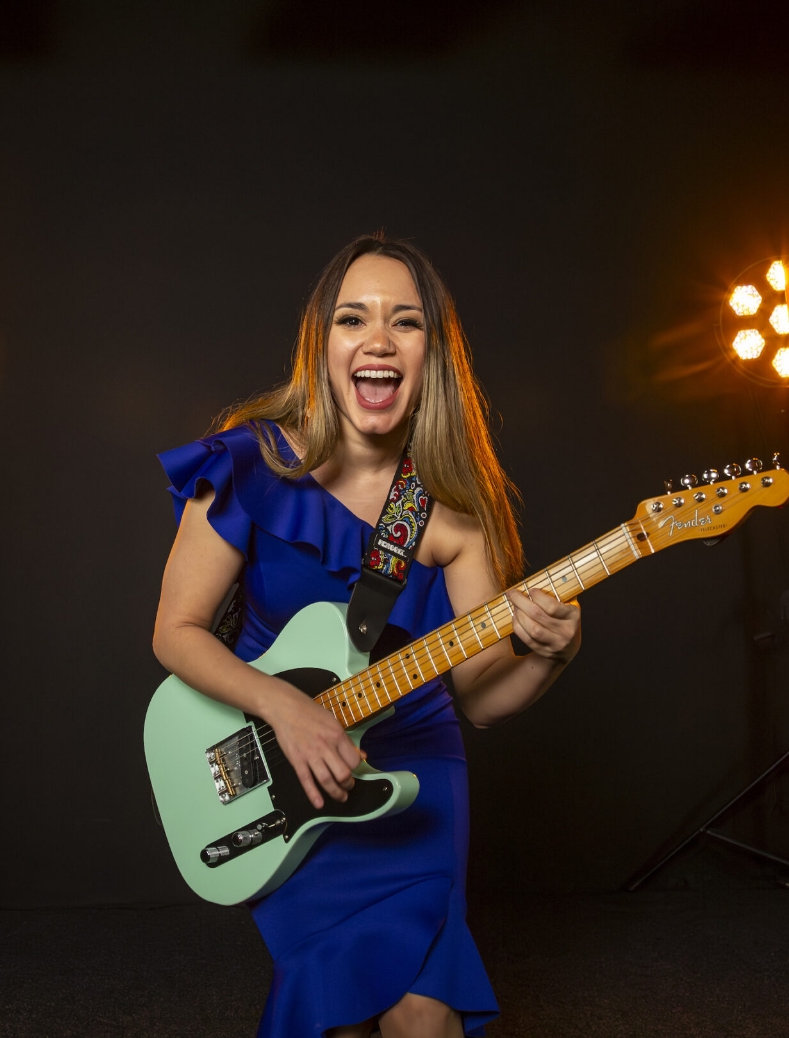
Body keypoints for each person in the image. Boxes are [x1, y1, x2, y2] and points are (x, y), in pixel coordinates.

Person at [153, 234, 581, 1038]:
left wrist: (551, 654)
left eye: (405, 322)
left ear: (431, 354)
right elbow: (175, 633)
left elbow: (483, 699)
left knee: (425, 1015)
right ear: (323, 343)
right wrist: (286, 709)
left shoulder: (454, 508)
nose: (379, 339)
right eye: (354, 318)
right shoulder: (246, 463)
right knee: (338, 1016)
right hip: (289, 768)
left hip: (415, 773)